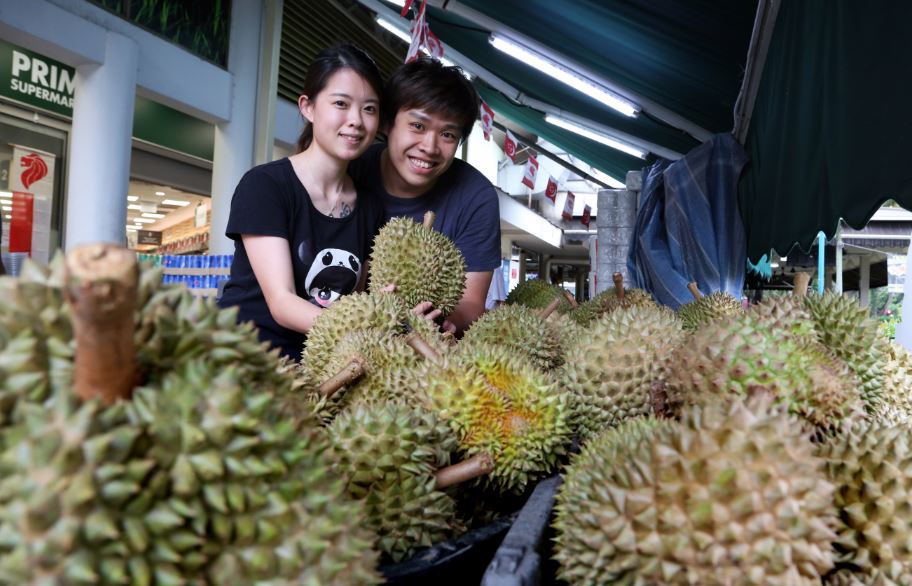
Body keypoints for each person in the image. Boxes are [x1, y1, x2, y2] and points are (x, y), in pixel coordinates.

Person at [218, 44, 385, 360]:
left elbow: (354, 300)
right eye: (341, 103)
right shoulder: (265, 186)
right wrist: (366, 328)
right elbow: (282, 303)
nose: (356, 121)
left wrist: (380, 307)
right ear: (308, 107)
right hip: (243, 359)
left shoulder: (371, 208)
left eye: (369, 109)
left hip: (318, 367)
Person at [348, 57, 501, 334]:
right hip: (342, 330)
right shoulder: (349, 170)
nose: (429, 147)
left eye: (447, 134)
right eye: (418, 126)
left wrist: (435, 318)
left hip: (426, 349)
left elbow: (470, 302)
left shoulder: (476, 197)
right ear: (386, 123)